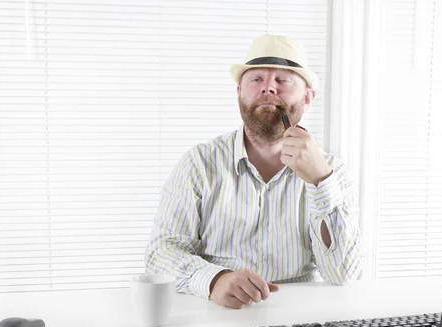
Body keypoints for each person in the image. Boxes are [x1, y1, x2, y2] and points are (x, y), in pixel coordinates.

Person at [145, 34, 363, 309]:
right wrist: (214, 280)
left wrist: (321, 181)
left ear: (307, 98)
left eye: (283, 80)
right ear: (239, 92)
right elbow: (160, 253)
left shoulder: (334, 173)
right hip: (217, 314)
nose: (268, 89)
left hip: (299, 317)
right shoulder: (199, 163)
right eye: (256, 79)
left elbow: (343, 274)